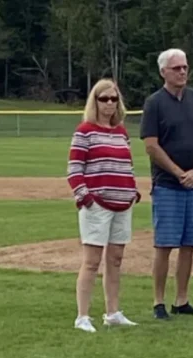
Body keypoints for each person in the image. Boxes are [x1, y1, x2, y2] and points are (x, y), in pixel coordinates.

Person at [140, 48, 193, 320]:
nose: (182, 72)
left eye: (184, 67)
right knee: (165, 244)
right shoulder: (154, 103)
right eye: (176, 68)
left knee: (189, 243)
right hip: (168, 185)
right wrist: (178, 172)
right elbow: (150, 145)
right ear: (163, 72)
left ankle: (181, 300)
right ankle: (158, 301)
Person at [67, 78, 141, 332]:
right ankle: (82, 316)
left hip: (123, 202)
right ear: (95, 101)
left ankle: (113, 312)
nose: (109, 104)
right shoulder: (84, 131)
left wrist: (133, 189)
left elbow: (127, 165)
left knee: (116, 259)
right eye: (104, 99)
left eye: (113, 99)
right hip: (97, 204)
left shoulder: (121, 132)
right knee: (91, 261)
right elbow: (74, 169)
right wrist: (85, 196)